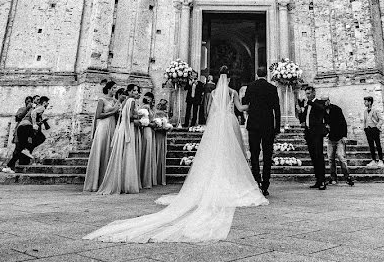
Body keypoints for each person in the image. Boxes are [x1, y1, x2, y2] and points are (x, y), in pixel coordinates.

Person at [84, 68, 266, 243]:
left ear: (218, 77)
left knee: (216, 152)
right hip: (230, 122)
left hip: (217, 125)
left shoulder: (213, 93)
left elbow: (208, 111)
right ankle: (233, 179)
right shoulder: (233, 92)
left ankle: (212, 179)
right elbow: (241, 108)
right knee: (231, 153)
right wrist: (255, 105)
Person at [240, 65, 281, 196]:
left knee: (255, 154)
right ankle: (266, 184)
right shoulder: (272, 88)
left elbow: (245, 102)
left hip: (254, 125)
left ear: (257, 75)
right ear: (266, 75)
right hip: (268, 125)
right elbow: (277, 109)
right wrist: (277, 127)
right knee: (268, 155)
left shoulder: (251, 87)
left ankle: (257, 181)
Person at [97, 85, 141, 195]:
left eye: (137, 91)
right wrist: (139, 117)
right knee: (127, 154)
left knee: (121, 154)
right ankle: (127, 183)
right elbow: (130, 117)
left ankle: (119, 182)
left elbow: (123, 115)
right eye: (134, 90)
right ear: (130, 92)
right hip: (128, 128)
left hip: (122, 128)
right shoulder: (131, 100)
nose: (136, 92)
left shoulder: (125, 100)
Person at [84, 81, 121, 192]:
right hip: (103, 126)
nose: (115, 90)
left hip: (113, 127)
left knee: (109, 152)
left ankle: (106, 181)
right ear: (109, 89)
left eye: (116, 88)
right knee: (101, 150)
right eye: (114, 88)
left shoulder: (115, 101)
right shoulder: (102, 100)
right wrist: (113, 112)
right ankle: (95, 183)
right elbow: (98, 115)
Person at [4, 96, 48, 172]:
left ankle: (9, 166)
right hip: (24, 129)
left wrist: (41, 122)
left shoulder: (36, 109)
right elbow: (21, 117)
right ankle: (12, 165)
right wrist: (34, 123)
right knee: (20, 149)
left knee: (21, 149)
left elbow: (35, 120)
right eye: (36, 100)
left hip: (28, 130)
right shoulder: (37, 108)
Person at [298, 85, 329, 190]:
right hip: (309, 134)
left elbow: (321, 110)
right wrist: (300, 111)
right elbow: (303, 120)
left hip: (317, 133)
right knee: (313, 157)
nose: (308, 95)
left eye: (309, 93)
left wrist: (310, 103)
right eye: (306, 93)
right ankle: (318, 179)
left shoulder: (319, 103)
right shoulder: (307, 106)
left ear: (314, 93)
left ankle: (323, 180)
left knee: (319, 156)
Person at [324, 96, 354, 186]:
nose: (324, 103)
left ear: (328, 101)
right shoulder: (322, 111)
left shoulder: (336, 109)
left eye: (325, 101)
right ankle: (333, 178)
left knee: (341, 157)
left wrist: (344, 136)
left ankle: (347, 177)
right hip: (330, 138)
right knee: (330, 158)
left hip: (339, 137)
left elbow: (343, 123)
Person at [137, 92, 157, 189]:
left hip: (151, 130)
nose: (149, 98)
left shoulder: (150, 108)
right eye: (148, 97)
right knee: (147, 150)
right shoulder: (145, 107)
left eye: (151, 97)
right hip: (146, 130)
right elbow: (143, 121)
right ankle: (144, 179)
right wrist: (151, 124)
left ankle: (147, 178)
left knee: (150, 151)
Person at [362, 96, 384, 167]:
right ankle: (373, 160)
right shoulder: (365, 111)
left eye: (366, 101)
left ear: (370, 102)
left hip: (374, 129)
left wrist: (377, 127)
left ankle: (380, 160)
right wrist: (365, 128)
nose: (364, 103)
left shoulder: (375, 110)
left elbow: (381, 119)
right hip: (368, 130)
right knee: (371, 145)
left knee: (378, 145)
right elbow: (365, 121)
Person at [152, 98, 170, 187]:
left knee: (161, 154)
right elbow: (155, 124)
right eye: (165, 105)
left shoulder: (164, 114)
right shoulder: (157, 113)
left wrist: (167, 127)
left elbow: (166, 124)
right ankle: (156, 177)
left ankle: (159, 177)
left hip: (163, 135)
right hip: (158, 135)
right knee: (157, 153)